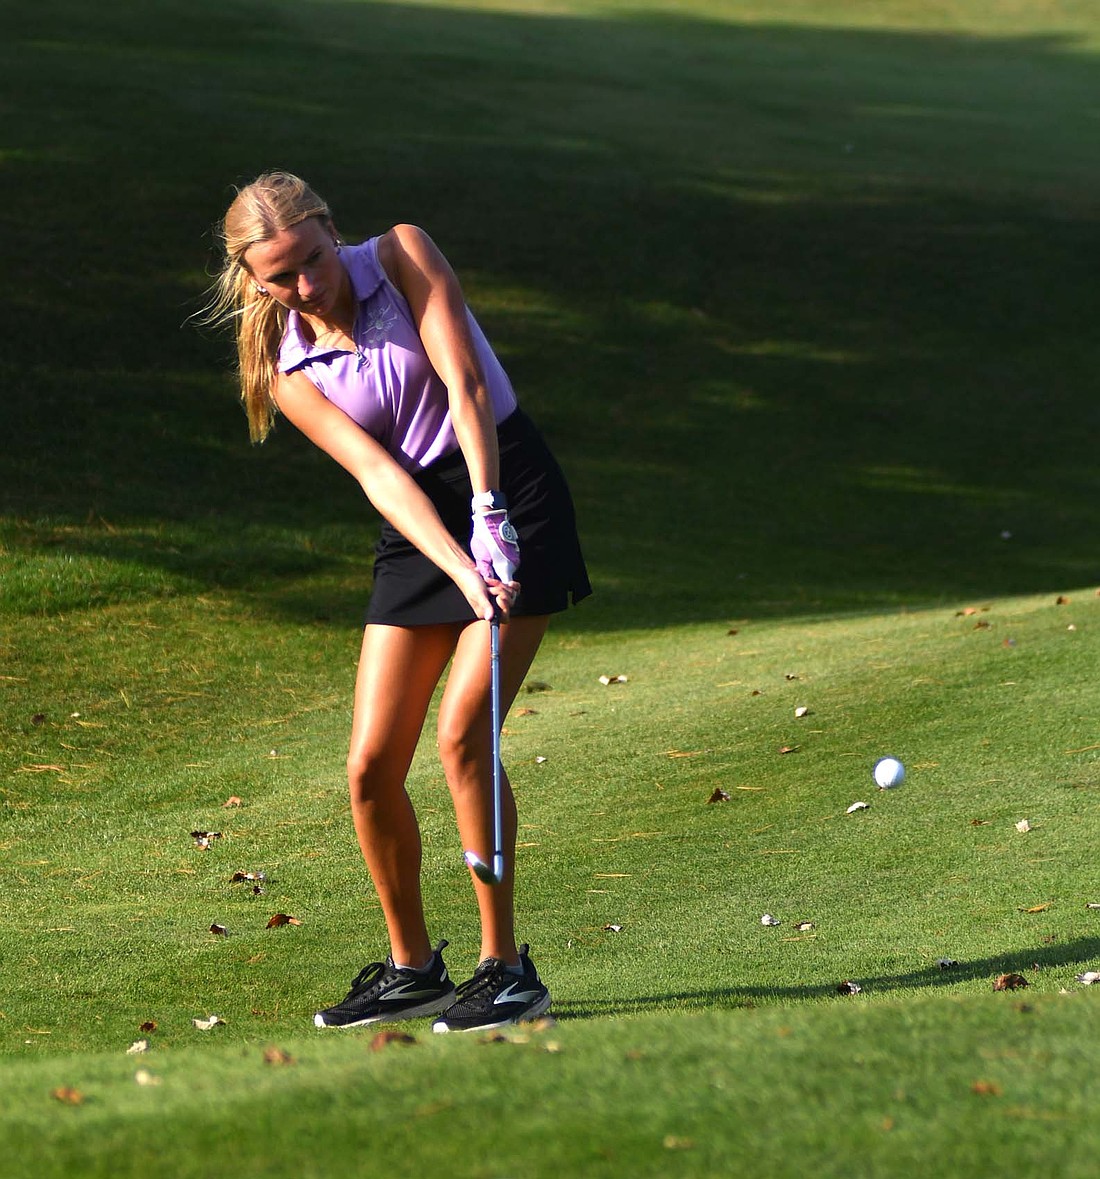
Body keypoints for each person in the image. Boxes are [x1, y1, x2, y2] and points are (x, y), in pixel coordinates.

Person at [205, 172, 590, 1033]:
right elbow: (380, 474)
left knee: (461, 734)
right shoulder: (282, 362)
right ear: (253, 279)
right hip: (417, 521)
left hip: (508, 487)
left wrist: (490, 517)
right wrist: (458, 565)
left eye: (313, 258)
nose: (308, 284)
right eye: (282, 276)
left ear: (329, 230)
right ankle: (414, 967)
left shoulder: (401, 253)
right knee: (371, 763)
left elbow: (467, 387)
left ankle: (506, 967)